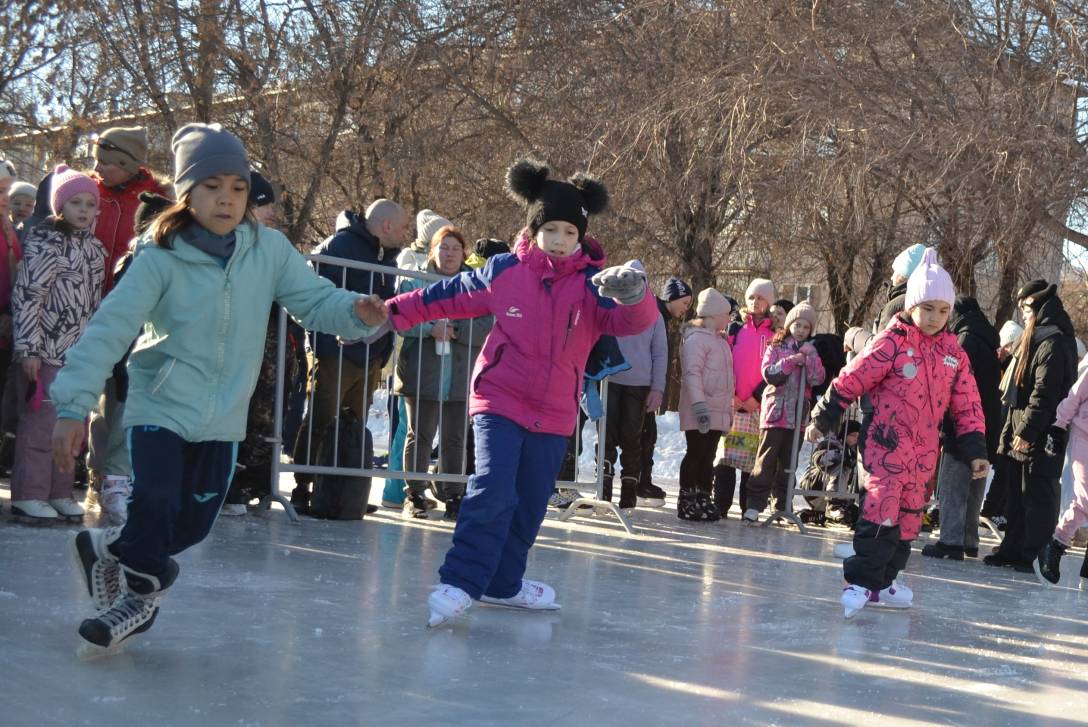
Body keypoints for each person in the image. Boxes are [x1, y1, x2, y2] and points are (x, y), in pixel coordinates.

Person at [52, 123, 387, 653]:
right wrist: (72, 406)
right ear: (186, 193)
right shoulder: (158, 255)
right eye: (212, 187)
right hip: (161, 403)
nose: (227, 199)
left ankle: (107, 551)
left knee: (192, 526)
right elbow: (107, 330)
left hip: (225, 415)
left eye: (237, 187)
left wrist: (358, 313)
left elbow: (316, 301)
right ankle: (139, 599)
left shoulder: (269, 251)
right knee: (157, 501)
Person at [376, 158, 657, 627]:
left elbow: (634, 322)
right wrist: (387, 312)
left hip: (554, 411)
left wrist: (635, 295)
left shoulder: (593, 288)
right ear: (534, 228)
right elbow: (445, 296)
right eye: (551, 229)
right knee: (492, 489)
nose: (561, 240)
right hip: (501, 400)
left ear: (581, 236)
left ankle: (504, 584)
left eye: (570, 232)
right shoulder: (506, 271)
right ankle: (461, 581)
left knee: (529, 500)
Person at [808, 248, 987, 618]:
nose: (935, 318)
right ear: (912, 305)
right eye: (927, 308)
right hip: (884, 443)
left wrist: (976, 449)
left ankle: (887, 578)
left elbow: (968, 404)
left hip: (923, 452)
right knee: (881, 508)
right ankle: (860, 580)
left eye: (943, 310)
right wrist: (825, 415)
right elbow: (854, 375)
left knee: (909, 516)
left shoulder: (954, 352)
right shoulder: (894, 340)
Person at [290, 197, 408, 510]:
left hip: (370, 357)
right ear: (386, 226)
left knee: (355, 423)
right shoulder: (338, 248)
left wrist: (382, 353)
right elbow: (318, 299)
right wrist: (326, 348)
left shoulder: (388, 256)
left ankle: (343, 489)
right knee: (321, 418)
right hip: (336, 353)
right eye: (403, 227)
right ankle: (303, 486)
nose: (405, 234)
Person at [8, 166, 105, 523]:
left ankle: (60, 490)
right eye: (75, 202)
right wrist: (29, 349)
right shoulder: (45, 244)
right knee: (40, 425)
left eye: (90, 203)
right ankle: (29, 493)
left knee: (72, 425)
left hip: (77, 356)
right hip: (45, 351)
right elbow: (28, 297)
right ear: (59, 207)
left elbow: (94, 304)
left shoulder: (95, 250)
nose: (83, 209)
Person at [84, 126, 171, 521]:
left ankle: (116, 474)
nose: (99, 168)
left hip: (133, 310)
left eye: (108, 162)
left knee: (123, 394)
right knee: (96, 394)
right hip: (86, 305)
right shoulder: (87, 192)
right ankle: (97, 469)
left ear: (129, 164)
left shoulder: (156, 201)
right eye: (97, 160)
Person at [394, 225, 492, 520]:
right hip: (422, 371)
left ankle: (453, 493)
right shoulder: (414, 281)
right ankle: (415, 494)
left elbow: (489, 324)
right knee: (419, 435)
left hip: (461, 373)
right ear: (432, 250)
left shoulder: (475, 284)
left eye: (455, 248)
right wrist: (430, 328)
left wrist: (458, 330)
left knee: (456, 438)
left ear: (464, 253)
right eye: (443, 247)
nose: (449, 254)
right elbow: (399, 318)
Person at [221, 170, 301, 516]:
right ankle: (226, 481)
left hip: (271, 343)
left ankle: (251, 479)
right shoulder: (225, 245)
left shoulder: (272, 246)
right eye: (265, 204)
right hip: (239, 345)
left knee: (264, 414)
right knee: (240, 410)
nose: (271, 212)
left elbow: (303, 294)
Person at [984, 280, 1077, 572]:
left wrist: (1026, 432)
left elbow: (1045, 395)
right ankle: (1012, 548)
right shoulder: (1034, 338)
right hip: (1019, 424)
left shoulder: (1054, 342)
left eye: (1026, 307)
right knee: (1016, 493)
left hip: (1042, 432)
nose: (1023, 313)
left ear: (1038, 307)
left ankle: (1033, 553)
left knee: (1037, 495)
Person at [381, 208, 455, 511]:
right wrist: (431, 327)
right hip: (415, 362)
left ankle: (410, 488)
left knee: (417, 430)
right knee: (408, 428)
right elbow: (403, 313)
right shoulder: (413, 265)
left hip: (440, 362)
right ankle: (396, 490)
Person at [922, 297, 1001, 560]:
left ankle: (951, 541)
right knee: (974, 484)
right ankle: (969, 539)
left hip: (962, 424)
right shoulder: (987, 339)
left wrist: (945, 424)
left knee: (953, 484)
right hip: (986, 423)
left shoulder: (963, 340)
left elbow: (953, 386)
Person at [744, 302, 825, 522]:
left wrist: (810, 360)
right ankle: (755, 504)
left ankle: (782, 503)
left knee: (789, 464)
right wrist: (791, 361)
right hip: (775, 415)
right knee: (766, 460)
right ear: (789, 325)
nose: (800, 330)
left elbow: (818, 379)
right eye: (797, 325)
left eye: (806, 327)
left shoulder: (811, 352)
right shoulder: (776, 347)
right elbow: (769, 373)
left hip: (797, 417)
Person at [602, 262, 667, 511]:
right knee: (606, 437)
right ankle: (603, 487)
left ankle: (629, 490)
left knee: (632, 438)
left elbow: (660, 352)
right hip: (609, 380)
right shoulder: (609, 306)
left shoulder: (653, 314)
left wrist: (657, 388)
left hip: (639, 385)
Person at [713, 278, 775, 517]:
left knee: (751, 459)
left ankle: (748, 506)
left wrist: (756, 398)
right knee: (726, 458)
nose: (755, 302)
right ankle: (720, 504)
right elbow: (725, 361)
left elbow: (774, 368)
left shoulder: (774, 334)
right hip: (733, 402)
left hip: (757, 406)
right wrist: (731, 394)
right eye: (752, 297)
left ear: (768, 302)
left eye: (761, 297)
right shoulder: (735, 329)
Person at [677, 288, 735, 521]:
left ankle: (702, 494)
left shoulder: (720, 342)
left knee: (709, 455)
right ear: (713, 315)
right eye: (726, 314)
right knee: (696, 452)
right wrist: (699, 405)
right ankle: (687, 497)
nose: (729, 319)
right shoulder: (696, 340)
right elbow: (692, 374)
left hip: (717, 410)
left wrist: (727, 412)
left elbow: (727, 381)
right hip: (700, 409)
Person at [1034, 352, 1088, 586]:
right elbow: (1074, 396)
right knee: (1086, 499)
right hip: (1084, 436)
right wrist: (1058, 427)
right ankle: (1056, 544)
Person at [638, 276, 693, 507]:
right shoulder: (656, 314)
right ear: (673, 298)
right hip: (641, 384)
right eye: (685, 303)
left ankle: (643, 480)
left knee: (648, 434)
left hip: (646, 383)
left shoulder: (662, 315)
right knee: (644, 434)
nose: (686, 309)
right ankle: (639, 483)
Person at [979, 320, 1025, 528]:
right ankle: (990, 510)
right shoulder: (1000, 364)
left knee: (1005, 470)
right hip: (1000, 422)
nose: (1007, 350)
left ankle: (995, 510)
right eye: (1006, 346)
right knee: (1002, 470)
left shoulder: (1013, 363)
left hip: (1005, 422)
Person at [877, 243, 926, 329]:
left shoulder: (894, 307)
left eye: (895, 272)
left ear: (902, 276)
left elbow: (880, 341)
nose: (891, 277)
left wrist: (856, 335)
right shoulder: (935, 304)